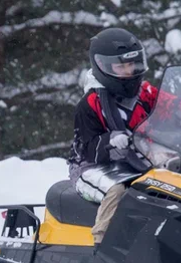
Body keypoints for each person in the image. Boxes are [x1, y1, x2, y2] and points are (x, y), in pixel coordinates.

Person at [67, 27, 158, 245]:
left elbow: (172, 105)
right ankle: (103, 248)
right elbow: (86, 148)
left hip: (135, 161)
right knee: (119, 191)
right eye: (121, 66)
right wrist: (109, 141)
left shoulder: (144, 93)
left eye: (131, 64)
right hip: (90, 167)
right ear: (103, 67)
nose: (128, 71)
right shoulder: (90, 104)